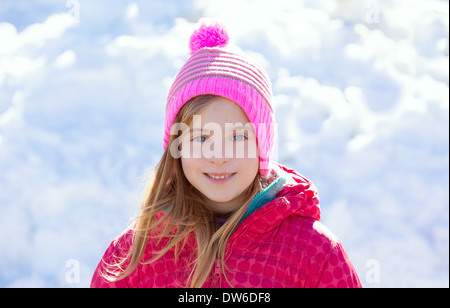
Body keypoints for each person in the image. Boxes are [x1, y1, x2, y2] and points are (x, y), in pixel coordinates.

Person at [90, 19, 362, 288]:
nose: (218, 156)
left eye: (237, 136)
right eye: (200, 137)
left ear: (261, 146)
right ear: (178, 147)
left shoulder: (314, 254)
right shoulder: (132, 257)